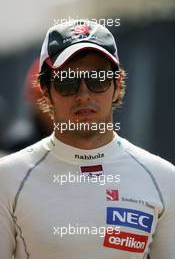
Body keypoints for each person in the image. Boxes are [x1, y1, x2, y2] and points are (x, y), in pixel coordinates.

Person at [0, 19, 174, 259]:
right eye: (67, 82)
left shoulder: (164, 178)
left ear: (117, 84)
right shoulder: (7, 178)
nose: (84, 94)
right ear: (45, 91)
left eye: (98, 79)